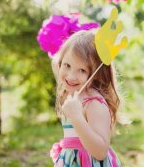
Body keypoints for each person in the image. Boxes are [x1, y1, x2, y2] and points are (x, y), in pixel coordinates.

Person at [50, 30, 122, 167]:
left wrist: (77, 117)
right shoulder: (71, 95)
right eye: (67, 65)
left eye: (82, 70)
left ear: (95, 73)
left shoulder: (94, 103)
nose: (71, 76)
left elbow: (100, 152)